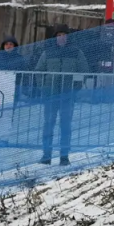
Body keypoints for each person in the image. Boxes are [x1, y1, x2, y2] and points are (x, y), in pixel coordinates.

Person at [34, 24, 89, 165]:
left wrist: (75, 88)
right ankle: (46, 155)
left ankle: (64, 156)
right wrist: (44, 88)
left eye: (64, 35)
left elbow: (83, 71)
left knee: (65, 126)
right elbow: (39, 71)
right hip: (51, 95)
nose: (61, 37)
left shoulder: (76, 52)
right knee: (48, 124)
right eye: (58, 35)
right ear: (55, 37)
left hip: (67, 95)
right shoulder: (47, 53)